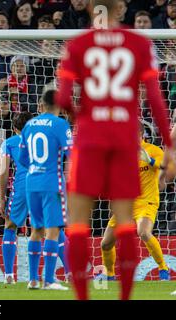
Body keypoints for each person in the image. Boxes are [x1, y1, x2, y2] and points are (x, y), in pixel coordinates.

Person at [55, 0, 174, 300]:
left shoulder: (79, 45)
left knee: (79, 225)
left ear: (91, 8)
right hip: (122, 139)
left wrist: (86, 115)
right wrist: (169, 146)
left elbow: (64, 98)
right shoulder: (137, 43)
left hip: (91, 139)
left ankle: (82, 297)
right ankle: (125, 297)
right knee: (125, 225)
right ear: (121, 9)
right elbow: (156, 103)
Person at [101, 124, 170, 281]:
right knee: (105, 244)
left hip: (147, 202)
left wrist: (150, 161)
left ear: (140, 134)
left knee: (143, 232)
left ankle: (163, 269)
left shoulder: (153, 150)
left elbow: (165, 168)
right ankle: (110, 276)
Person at [18, 89, 72, 291]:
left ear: (41, 104)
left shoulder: (29, 125)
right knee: (52, 231)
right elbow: (72, 153)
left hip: (31, 183)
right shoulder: (60, 124)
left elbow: (23, 159)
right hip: (52, 183)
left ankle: (32, 279)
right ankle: (49, 280)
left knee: (36, 230)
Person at [0, 111, 32, 284]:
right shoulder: (42, 139)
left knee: (10, 226)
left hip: (22, 187)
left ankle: (9, 275)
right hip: (46, 184)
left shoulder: (9, 143)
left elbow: (3, 171)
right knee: (54, 228)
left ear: (14, 127)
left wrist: (2, 197)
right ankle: (71, 274)